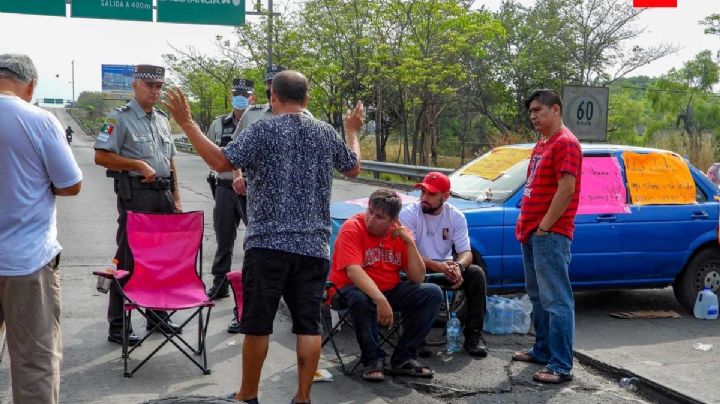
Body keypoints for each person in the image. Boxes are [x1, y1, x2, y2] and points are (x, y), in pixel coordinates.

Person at [162, 70, 363, 404]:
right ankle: (302, 397)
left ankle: (248, 395)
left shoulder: (262, 129)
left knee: (257, 325)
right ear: (307, 100)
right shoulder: (325, 132)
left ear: (273, 98)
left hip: (267, 246)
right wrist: (352, 131)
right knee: (309, 326)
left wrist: (187, 123)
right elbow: (353, 167)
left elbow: (221, 161)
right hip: (314, 247)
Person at [0, 53, 82, 404]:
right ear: (30, 85)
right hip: (27, 262)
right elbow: (71, 184)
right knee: (34, 362)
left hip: (24, 260)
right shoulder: (37, 119)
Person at [94, 64, 183, 346]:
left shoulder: (162, 120)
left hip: (163, 195)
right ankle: (118, 325)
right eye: (150, 86)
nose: (155, 92)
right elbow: (101, 156)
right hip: (136, 195)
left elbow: (170, 162)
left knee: (162, 259)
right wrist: (136, 164)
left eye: (159, 87)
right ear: (135, 85)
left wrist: (177, 198)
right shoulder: (119, 118)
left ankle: (158, 317)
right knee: (129, 259)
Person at [328, 189, 442, 382]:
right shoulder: (352, 227)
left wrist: (410, 245)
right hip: (346, 290)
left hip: (388, 290)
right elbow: (353, 272)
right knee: (361, 298)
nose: (371, 219)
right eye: (370, 211)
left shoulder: (399, 234)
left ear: (393, 220)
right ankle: (373, 360)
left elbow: (418, 278)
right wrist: (380, 299)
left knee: (432, 293)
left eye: (379, 216)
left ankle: (404, 357)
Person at [512, 89, 582, 384]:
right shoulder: (542, 144)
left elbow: (566, 189)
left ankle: (561, 364)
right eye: (531, 112)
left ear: (555, 110)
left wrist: (545, 226)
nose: (534, 117)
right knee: (538, 297)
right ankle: (542, 350)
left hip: (550, 234)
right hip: (531, 232)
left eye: (539, 110)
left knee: (556, 301)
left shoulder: (566, 143)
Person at [223, 64, 292, 333]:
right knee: (255, 254)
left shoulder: (305, 117)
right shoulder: (253, 116)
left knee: (288, 256)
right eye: (268, 82)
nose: (270, 86)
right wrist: (238, 175)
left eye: (275, 82)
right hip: (256, 194)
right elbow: (232, 151)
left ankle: (286, 308)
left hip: (289, 200)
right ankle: (242, 312)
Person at [399, 171, 489, 358]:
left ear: (445, 196)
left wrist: (459, 267)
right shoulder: (409, 214)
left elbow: (465, 252)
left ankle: (473, 335)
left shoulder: (455, 216)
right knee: (415, 278)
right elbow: (406, 255)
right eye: (423, 192)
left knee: (476, 274)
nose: (424, 198)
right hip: (418, 267)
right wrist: (438, 266)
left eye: (431, 194)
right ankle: (416, 338)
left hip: (446, 267)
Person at [205, 78, 256, 300]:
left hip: (253, 189)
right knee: (224, 238)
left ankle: (252, 285)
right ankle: (220, 282)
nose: (241, 98)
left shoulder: (258, 121)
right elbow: (209, 153)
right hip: (225, 188)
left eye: (245, 95)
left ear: (252, 97)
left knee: (256, 239)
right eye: (237, 94)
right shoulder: (219, 124)